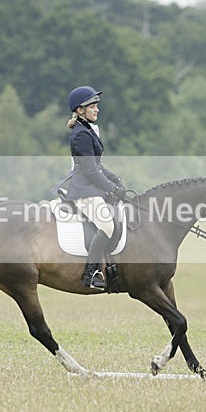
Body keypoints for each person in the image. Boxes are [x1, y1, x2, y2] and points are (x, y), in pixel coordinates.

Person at [66, 86, 127, 289]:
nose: (97, 109)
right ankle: (90, 274)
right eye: (92, 106)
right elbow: (91, 171)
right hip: (84, 190)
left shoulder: (87, 130)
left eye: (96, 106)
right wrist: (112, 188)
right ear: (80, 110)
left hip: (91, 187)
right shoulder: (81, 134)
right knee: (107, 226)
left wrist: (116, 180)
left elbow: (97, 165)